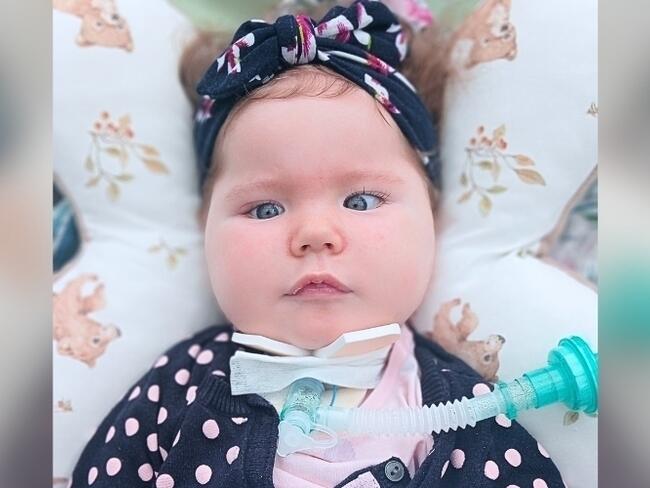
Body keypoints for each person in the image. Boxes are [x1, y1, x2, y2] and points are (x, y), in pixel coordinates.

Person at [69, 1, 564, 486]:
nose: (314, 234)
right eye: (265, 209)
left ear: (431, 219)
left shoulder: (464, 416)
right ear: (206, 228)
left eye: (362, 201)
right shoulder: (178, 391)